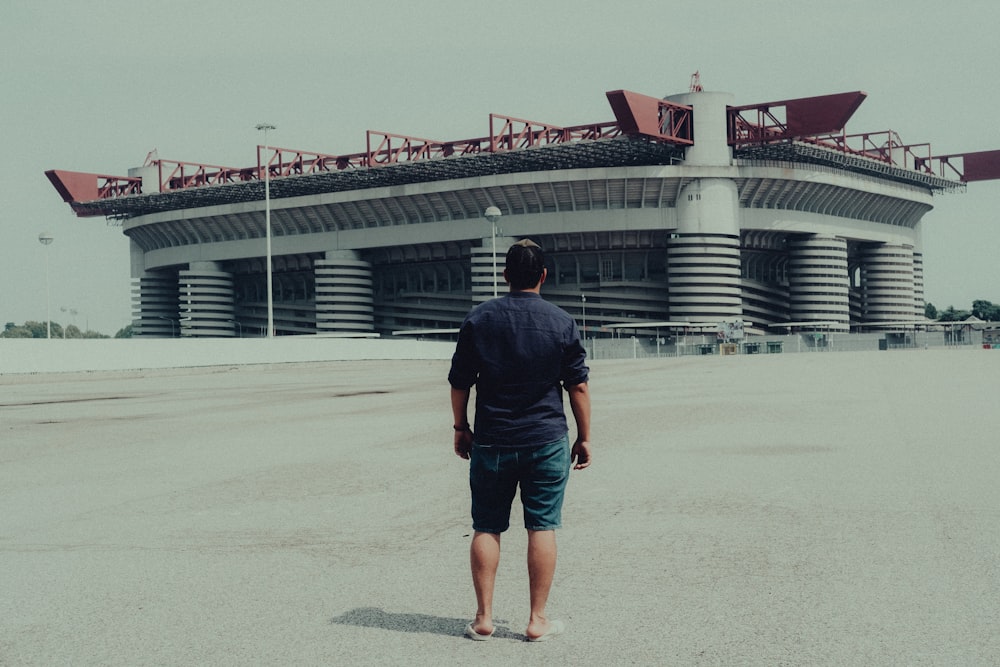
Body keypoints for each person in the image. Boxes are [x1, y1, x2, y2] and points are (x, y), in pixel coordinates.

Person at [448, 238, 591, 642]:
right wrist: (585, 437)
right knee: (542, 526)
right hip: (546, 439)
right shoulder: (562, 322)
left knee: (486, 526)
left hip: (492, 439)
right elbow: (577, 387)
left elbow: (460, 382)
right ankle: (537, 620)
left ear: (505, 275)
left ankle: (483, 619)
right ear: (543, 276)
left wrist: (461, 428)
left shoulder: (480, 319)